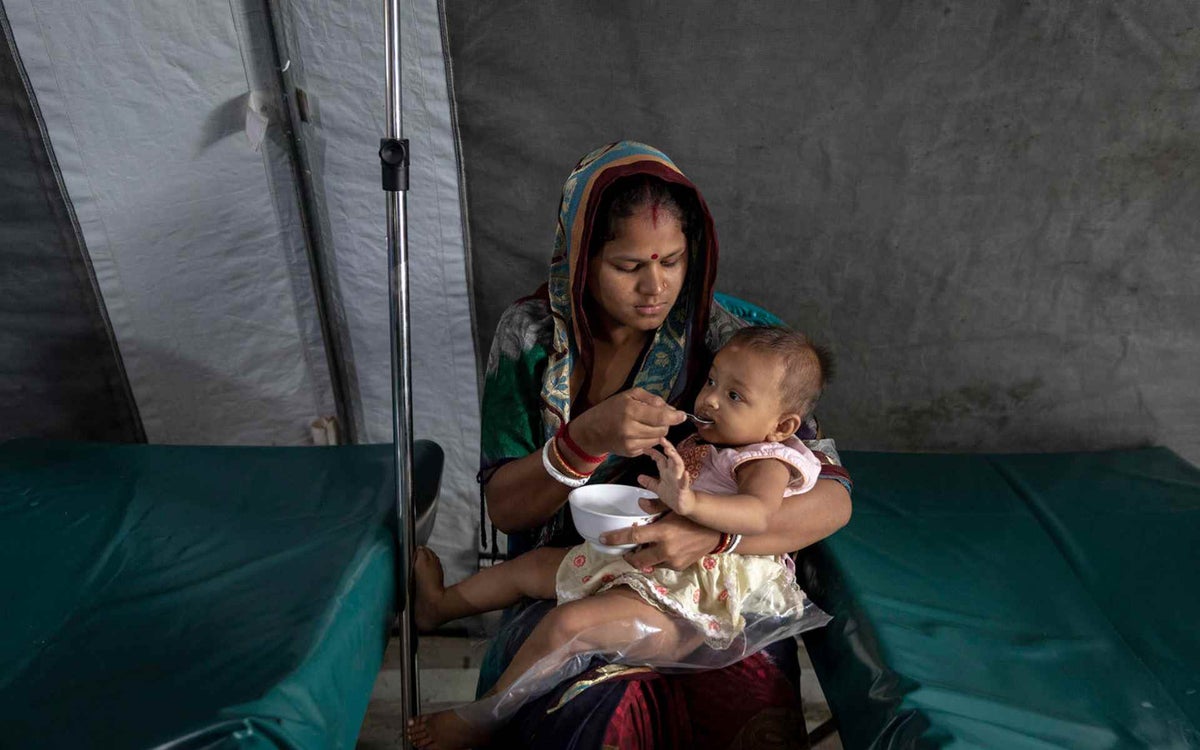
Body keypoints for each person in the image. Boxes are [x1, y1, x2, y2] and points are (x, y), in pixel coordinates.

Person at [433, 141, 852, 749]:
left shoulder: (736, 339)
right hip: (575, 570)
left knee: (747, 704)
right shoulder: (530, 339)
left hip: (715, 580)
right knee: (593, 711)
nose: (655, 287)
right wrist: (584, 439)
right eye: (628, 266)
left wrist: (710, 535)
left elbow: (832, 498)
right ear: (581, 257)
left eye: (674, 262)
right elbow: (506, 510)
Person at [407, 326, 831, 749]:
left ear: (782, 426)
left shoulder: (766, 459)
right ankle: (441, 605)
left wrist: (689, 505)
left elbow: (757, 514)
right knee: (531, 567)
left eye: (735, 396)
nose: (711, 399)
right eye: (712, 381)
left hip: (698, 591)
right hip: (653, 561)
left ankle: (484, 719)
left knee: (568, 625)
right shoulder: (713, 439)